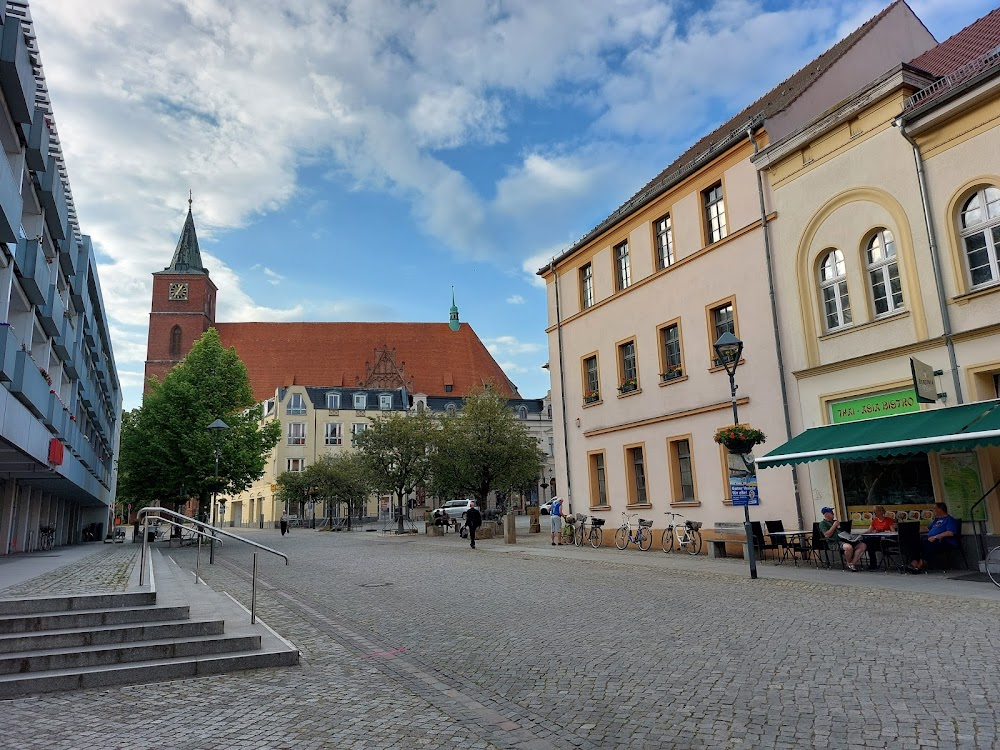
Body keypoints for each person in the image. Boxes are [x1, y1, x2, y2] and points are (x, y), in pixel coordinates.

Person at [907, 502, 959, 573]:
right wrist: (913, 529)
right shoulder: (937, 520)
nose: (932, 510)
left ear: (940, 509)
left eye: (934, 508)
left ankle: (921, 564)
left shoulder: (949, 520)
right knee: (916, 541)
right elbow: (927, 529)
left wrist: (936, 537)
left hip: (945, 542)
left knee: (927, 543)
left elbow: (950, 532)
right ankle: (914, 562)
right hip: (932, 540)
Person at [819, 506, 867, 571]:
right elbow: (827, 535)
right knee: (848, 547)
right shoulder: (823, 523)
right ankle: (848, 562)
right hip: (835, 542)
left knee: (862, 545)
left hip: (845, 539)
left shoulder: (835, 521)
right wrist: (834, 526)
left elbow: (842, 532)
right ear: (826, 514)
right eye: (831, 512)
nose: (833, 513)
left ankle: (852, 563)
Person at [862, 505, 896, 570]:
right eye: (874, 511)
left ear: (881, 512)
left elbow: (893, 531)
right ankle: (873, 564)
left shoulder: (888, 520)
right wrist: (863, 534)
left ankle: (873, 564)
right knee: (869, 543)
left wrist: (883, 531)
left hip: (886, 540)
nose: (874, 513)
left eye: (876, 511)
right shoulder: (874, 521)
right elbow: (870, 530)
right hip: (877, 540)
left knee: (871, 543)